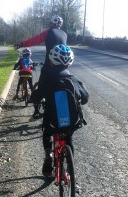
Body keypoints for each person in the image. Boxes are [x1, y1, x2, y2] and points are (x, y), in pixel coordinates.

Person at [30, 44, 89, 177]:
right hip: (72, 123)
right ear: (69, 63)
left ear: (51, 61)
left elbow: (35, 97)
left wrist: (36, 100)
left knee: (46, 133)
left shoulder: (48, 82)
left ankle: (48, 154)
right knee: (69, 140)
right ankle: (69, 171)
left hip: (53, 123)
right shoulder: (74, 80)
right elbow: (85, 99)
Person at [14, 15, 68, 117]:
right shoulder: (64, 34)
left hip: (49, 66)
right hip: (63, 67)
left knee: (40, 89)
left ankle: (36, 112)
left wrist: (21, 44)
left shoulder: (49, 32)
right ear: (60, 25)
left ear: (52, 23)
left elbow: (35, 40)